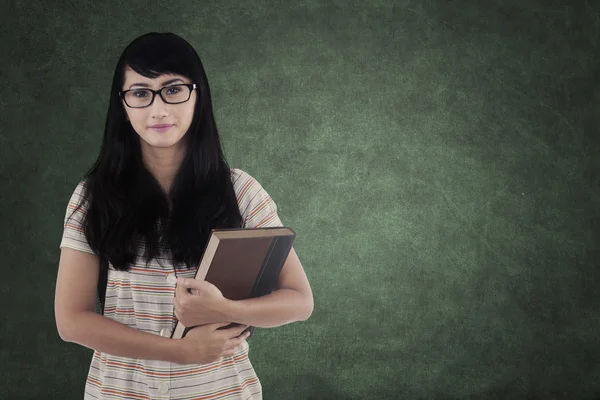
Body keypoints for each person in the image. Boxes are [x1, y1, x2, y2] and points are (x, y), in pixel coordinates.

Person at [54, 32, 314, 399]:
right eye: (141, 93)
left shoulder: (240, 191)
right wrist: (180, 351)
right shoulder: (93, 197)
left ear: (198, 95)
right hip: (120, 391)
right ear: (122, 105)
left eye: (173, 89)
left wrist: (223, 308)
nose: (158, 110)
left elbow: (300, 301)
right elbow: (71, 321)